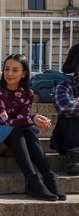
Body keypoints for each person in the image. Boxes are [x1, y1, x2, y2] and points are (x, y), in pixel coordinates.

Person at [0, 54, 66, 201]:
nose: (9, 74)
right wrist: (32, 118)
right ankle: (32, 180)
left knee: (28, 130)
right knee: (19, 129)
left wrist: (32, 119)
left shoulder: (28, 93)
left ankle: (49, 177)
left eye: (15, 70)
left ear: (24, 73)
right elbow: (5, 122)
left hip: (13, 141)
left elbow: (22, 120)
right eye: (6, 69)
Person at [51, 43, 79, 175]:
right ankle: (74, 157)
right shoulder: (65, 86)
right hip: (69, 138)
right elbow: (64, 107)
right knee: (69, 115)